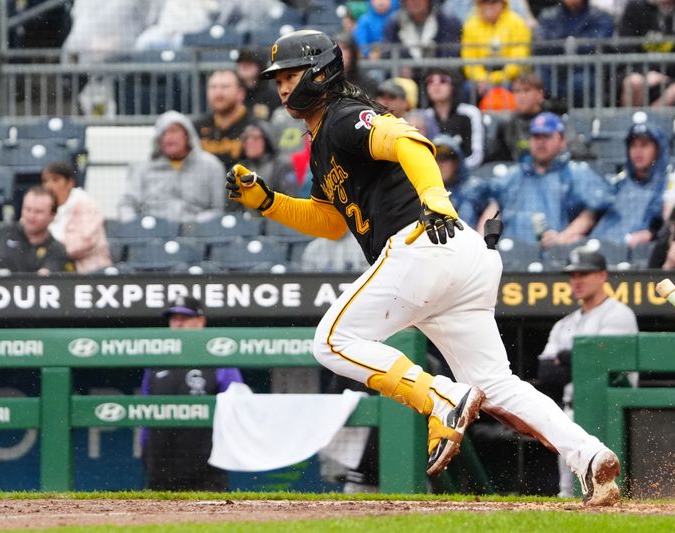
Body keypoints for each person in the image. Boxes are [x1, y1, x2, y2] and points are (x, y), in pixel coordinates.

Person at [226, 29, 622, 506]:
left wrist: (435, 199)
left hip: (423, 246)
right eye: (279, 79)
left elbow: (410, 140)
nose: (285, 87)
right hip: (461, 260)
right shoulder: (322, 142)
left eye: (292, 75)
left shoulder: (344, 117)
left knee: (331, 341)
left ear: (322, 72)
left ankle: (439, 399)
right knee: (495, 385)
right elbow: (331, 222)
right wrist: (268, 202)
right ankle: (591, 457)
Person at [537, 248, 638, 498]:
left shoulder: (618, 314)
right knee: (568, 492)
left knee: (610, 490)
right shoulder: (564, 324)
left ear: (602, 275)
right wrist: (572, 361)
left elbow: (598, 367)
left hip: (611, 413)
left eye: (584, 273)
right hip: (574, 410)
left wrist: (571, 359)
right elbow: (547, 373)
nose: (577, 280)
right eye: (573, 275)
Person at [141, 295, 243, 491]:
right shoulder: (156, 360)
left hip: (206, 466)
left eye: (184, 318)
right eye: (174, 319)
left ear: (200, 321)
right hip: (162, 463)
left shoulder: (219, 358)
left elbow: (236, 408)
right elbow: (146, 415)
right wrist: (147, 454)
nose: (178, 324)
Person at [476, 112, 614, 246]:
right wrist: (483, 247)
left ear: (562, 141)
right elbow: (493, 210)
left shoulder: (576, 173)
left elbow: (590, 215)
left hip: (557, 256)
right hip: (511, 256)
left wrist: (562, 238)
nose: (541, 142)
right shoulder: (514, 176)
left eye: (547, 136)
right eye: (536, 136)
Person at [117, 110, 227, 223]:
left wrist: (195, 224)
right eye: (163, 133)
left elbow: (218, 210)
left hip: (198, 234)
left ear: (187, 135)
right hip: (153, 233)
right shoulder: (141, 168)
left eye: (174, 131)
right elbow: (126, 204)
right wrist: (136, 226)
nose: (168, 138)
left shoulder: (211, 166)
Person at [589, 122, 670, 248]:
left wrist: (653, 234)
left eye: (644, 145)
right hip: (602, 247)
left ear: (658, 150)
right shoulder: (617, 184)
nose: (638, 151)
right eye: (633, 146)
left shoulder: (669, 185)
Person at [0, 186, 74, 275]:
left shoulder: (57, 250)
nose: (31, 216)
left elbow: (46, 283)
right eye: (27, 209)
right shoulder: (2, 231)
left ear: (53, 216)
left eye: (38, 212)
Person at [617, 0, 675, 107]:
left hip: (669, 78)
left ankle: (650, 121)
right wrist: (645, 72)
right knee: (634, 82)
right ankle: (629, 121)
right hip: (634, 72)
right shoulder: (636, 8)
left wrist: (661, 75)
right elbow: (626, 47)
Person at [535, 0, 614, 108]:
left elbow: (597, 44)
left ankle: (581, 119)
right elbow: (541, 44)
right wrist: (569, 44)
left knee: (579, 83)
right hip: (554, 69)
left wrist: (567, 44)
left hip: (586, 69)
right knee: (536, 80)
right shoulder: (548, 15)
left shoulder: (600, 16)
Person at [41, 162, 112, 273]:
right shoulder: (42, 205)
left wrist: (46, 254)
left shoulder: (85, 203)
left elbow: (84, 242)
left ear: (70, 183)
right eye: (45, 181)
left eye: (55, 180)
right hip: (54, 270)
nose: (49, 185)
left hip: (90, 272)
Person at [460, 0, 532, 98]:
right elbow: (469, 59)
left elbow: (518, 59)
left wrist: (494, 80)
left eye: (494, 2)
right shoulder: (470, 25)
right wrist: (482, 78)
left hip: (511, 78)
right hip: (481, 79)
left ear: (503, 4)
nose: (489, 6)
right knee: (468, 89)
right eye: (484, 2)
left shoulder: (517, 23)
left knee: (515, 87)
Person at [422, 68, 485, 170]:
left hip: (465, 176)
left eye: (442, 80)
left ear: (453, 85)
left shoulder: (470, 113)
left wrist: (452, 170)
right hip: (431, 176)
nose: (436, 85)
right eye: (430, 81)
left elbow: (476, 156)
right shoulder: (424, 117)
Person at [194, 69, 255, 170]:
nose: (218, 92)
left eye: (225, 87)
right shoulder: (196, 128)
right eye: (213, 87)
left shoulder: (255, 127)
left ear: (241, 93)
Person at [485, 72, 546, 162]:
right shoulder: (506, 124)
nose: (521, 96)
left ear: (540, 94)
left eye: (526, 90)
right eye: (517, 91)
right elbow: (497, 158)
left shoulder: (551, 122)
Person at [238, 121, 300, 198]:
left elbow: (290, 200)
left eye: (255, 138)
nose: (249, 141)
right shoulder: (239, 169)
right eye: (246, 138)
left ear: (266, 141)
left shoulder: (281, 166)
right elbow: (231, 205)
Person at [236, 48, 282, 121]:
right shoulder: (232, 91)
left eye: (249, 61)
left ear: (261, 65)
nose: (244, 65)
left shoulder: (274, 93)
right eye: (241, 61)